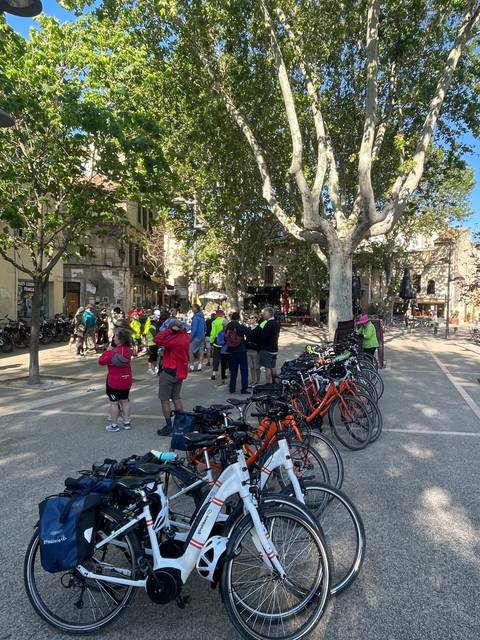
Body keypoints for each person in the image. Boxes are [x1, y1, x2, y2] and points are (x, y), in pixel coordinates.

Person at [154, 319, 190, 436]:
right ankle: (180, 424)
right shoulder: (185, 337)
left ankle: (169, 427)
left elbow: (157, 339)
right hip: (180, 371)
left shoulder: (173, 339)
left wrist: (168, 331)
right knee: (176, 398)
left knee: (164, 400)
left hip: (170, 371)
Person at [98, 328, 133, 432]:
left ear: (119, 339)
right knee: (125, 401)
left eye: (115, 337)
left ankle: (114, 425)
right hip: (126, 379)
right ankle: (127, 422)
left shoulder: (112, 353)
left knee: (114, 403)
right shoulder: (128, 350)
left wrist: (107, 351)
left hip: (114, 381)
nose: (113, 338)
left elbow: (101, 361)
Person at [225, 311, 249, 394]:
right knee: (244, 370)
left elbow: (225, 338)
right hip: (241, 350)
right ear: (238, 318)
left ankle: (232, 388)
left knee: (233, 371)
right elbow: (249, 334)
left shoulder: (228, 326)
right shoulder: (240, 326)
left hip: (231, 350)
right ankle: (244, 389)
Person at [258, 307, 281, 383]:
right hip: (274, 348)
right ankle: (275, 382)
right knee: (273, 366)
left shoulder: (268, 324)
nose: (263, 315)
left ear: (269, 314)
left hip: (267, 349)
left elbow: (264, 337)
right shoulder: (276, 323)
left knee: (267, 368)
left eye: (264, 313)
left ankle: (268, 383)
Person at [210, 309, 228, 385]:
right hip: (225, 342)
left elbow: (213, 333)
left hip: (217, 342)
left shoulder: (214, 322)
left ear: (217, 315)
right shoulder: (226, 321)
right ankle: (225, 373)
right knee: (224, 358)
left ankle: (214, 373)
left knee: (216, 358)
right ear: (223, 314)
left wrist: (211, 341)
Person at [144, 309, 162, 375]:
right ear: (153, 321)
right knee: (151, 357)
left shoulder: (153, 327)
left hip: (154, 344)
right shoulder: (151, 327)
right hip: (151, 344)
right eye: (155, 321)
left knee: (154, 357)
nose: (157, 321)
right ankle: (150, 369)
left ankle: (154, 368)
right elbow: (155, 335)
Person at [245, 313, 261, 387]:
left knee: (256, 367)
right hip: (248, 349)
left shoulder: (258, 328)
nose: (250, 319)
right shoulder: (248, 328)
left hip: (255, 350)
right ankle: (253, 380)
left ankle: (257, 381)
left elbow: (260, 340)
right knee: (251, 366)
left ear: (256, 319)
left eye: (252, 318)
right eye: (249, 318)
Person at [189, 304, 206, 372]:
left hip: (196, 337)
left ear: (195, 309)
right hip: (202, 336)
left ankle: (192, 366)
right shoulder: (202, 317)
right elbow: (205, 327)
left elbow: (194, 329)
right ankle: (200, 366)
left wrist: (191, 337)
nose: (192, 309)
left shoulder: (195, 318)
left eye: (192, 307)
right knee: (201, 351)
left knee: (191, 351)